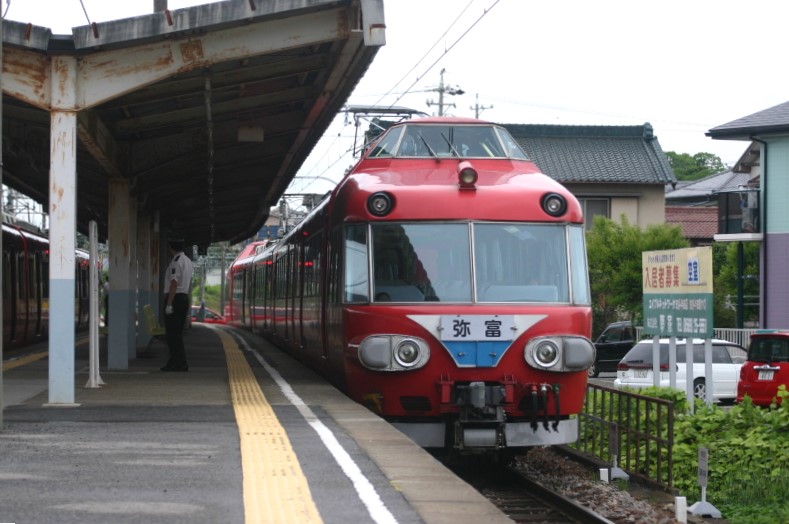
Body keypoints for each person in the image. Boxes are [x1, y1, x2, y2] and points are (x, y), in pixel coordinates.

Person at [161, 238, 194, 372]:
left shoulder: (176, 262)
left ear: (171, 248)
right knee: (177, 333)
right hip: (184, 298)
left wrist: (169, 304)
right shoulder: (188, 261)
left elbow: (174, 283)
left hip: (175, 298)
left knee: (172, 334)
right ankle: (175, 362)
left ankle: (179, 363)